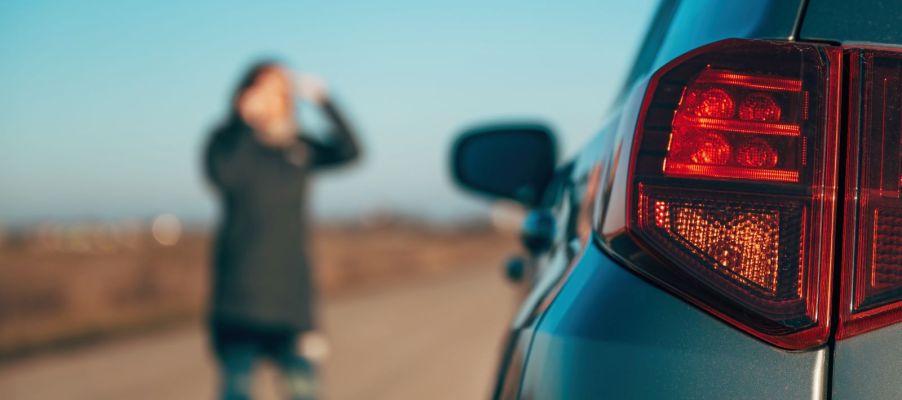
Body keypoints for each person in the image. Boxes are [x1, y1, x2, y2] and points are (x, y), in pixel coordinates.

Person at [204, 61, 360, 400]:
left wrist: (324, 101)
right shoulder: (226, 140)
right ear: (244, 94)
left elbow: (351, 152)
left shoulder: (297, 146)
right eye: (265, 89)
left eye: (281, 90)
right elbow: (225, 176)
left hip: (292, 303)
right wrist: (245, 122)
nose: (273, 98)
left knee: (304, 391)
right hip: (237, 303)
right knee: (236, 390)